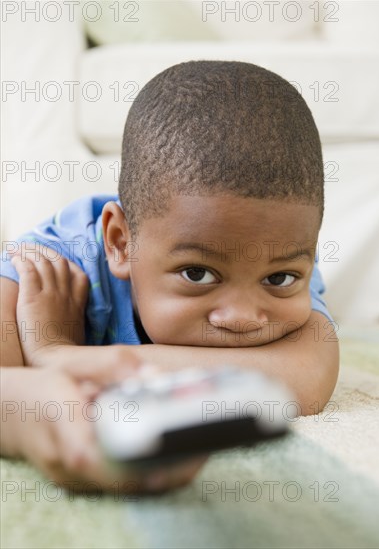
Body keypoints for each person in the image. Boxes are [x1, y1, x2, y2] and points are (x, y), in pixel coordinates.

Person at [1, 60, 339, 493]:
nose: (241, 317)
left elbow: (308, 380)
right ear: (121, 244)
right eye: (198, 274)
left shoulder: (270, 251)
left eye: (279, 279)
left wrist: (58, 356)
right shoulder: (49, 272)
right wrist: (40, 420)